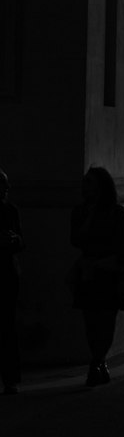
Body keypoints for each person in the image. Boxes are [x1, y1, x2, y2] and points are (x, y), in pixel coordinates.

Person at [69, 166, 124, 387]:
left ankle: (98, 361)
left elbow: (123, 247)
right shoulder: (80, 211)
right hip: (89, 272)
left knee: (105, 320)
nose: (84, 187)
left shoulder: (116, 212)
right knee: (91, 321)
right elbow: (76, 240)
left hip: (108, 272)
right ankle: (98, 361)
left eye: (89, 182)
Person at [0, 169, 24, 395]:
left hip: (7, 273)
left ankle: (10, 377)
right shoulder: (9, 210)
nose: (6, 189)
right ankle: (10, 377)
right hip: (7, 271)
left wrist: (15, 240)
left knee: (7, 326)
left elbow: (21, 241)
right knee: (7, 327)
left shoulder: (10, 211)